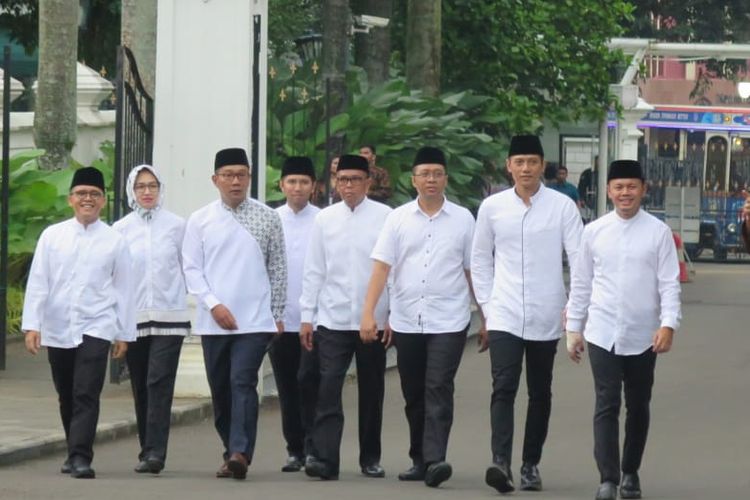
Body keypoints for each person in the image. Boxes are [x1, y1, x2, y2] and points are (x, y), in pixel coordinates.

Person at [471, 135, 583, 494]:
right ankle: (499, 462)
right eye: (518, 162)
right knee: (503, 386)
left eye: (532, 162)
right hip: (503, 311)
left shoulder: (562, 208)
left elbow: (580, 260)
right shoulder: (492, 207)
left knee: (540, 391)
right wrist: (487, 307)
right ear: (509, 166)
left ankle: (530, 463)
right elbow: (479, 259)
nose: (525, 169)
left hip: (546, 312)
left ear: (542, 165)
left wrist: (575, 311)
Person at [360, 146, 478, 488]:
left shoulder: (463, 219)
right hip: (408, 318)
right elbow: (382, 267)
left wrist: (487, 316)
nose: (431, 179)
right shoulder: (396, 219)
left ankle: (436, 459)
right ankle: (419, 458)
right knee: (414, 392)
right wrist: (369, 313)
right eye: (424, 174)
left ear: (445, 178)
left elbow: (473, 271)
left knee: (438, 386)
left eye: (437, 173)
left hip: (450, 319)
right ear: (413, 180)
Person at [565, 160, 681, 500]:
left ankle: (631, 471)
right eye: (619, 187)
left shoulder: (657, 232)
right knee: (606, 402)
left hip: (644, 334)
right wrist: (574, 329)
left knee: (639, 403)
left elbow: (669, 284)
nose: (625, 193)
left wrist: (668, 324)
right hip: (602, 332)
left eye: (632, 186)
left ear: (643, 189)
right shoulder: (594, 232)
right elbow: (581, 284)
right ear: (609, 191)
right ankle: (608, 479)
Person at [22, 166, 135, 479]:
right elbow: (39, 282)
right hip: (58, 326)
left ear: (103, 201)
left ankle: (82, 456)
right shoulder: (52, 236)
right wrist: (33, 325)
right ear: (71, 199)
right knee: (67, 393)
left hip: (96, 325)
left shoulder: (115, 240)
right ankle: (74, 449)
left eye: (94, 194)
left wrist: (123, 333)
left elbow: (124, 289)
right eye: (82, 193)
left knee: (87, 391)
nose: (88, 199)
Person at [182, 147, 286, 480]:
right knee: (221, 390)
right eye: (228, 175)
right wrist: (214, 304)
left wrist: (277, 313)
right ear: (216, 180)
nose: (235, 181)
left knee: (243, 381)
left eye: (241, 174)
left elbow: (278, 267)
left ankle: (241, 452)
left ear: (250, 177)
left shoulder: (267, 217)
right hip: (213, 321)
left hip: (254, 320)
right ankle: (231, 451)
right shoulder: (200, 220)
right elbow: (191, 269)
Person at [299, 154, 392, 480]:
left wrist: (390, 314)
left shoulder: (385, 217)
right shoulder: (324, 220)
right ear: (335, 183)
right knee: (327, 387)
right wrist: (307, 316)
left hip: (373, 320)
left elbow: (392, 270)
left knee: (371, 390)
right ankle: (325, 459)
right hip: (332, 318)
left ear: (368, 182)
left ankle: (370, 457)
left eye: (355, 180)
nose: (348, 186)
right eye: (343, 180)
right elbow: (314, 270)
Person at [112, 164, 190, 475]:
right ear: (132, 191)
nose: (147, 192)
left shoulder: (177, 226)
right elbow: (115, 279)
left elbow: (189, 268)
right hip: (134, 319)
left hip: (170, 316)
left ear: (160, 189)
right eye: (141, 186)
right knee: (141, 385)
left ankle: (157, 452)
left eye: (152, 186)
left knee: (159, 382)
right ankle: (147, 448)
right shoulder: (120, 230)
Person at [271, 156, 321, 472]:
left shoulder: (325, 219)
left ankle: (315, 447)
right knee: (287, 386)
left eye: (304, 182)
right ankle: (294, 450)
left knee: (311, 382)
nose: (298, 187)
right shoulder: (271, 219)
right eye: (292, 181)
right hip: (280, 318)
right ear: (282, 185)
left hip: (314, 319)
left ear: (313, 186)